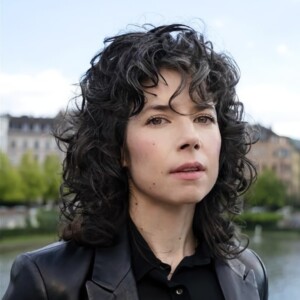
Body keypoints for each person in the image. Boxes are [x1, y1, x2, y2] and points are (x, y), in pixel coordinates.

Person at [3, 23, 268, 300]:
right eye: (158, 119)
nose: (191, 138)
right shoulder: (48, 281)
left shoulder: (250, 273)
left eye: (203, 118)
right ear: (118, 148)